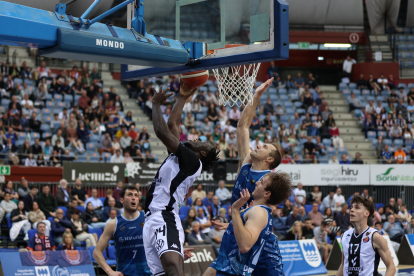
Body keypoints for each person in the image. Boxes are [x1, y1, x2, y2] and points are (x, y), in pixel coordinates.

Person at [143, 81, 218, 276]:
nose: (196, 138)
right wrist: (183, 97)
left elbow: (161, 132)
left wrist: (156, 104)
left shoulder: (192, 161)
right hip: (152, 219)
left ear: (201, 154)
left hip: (164, 215)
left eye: (201, 142)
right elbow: (171, 125)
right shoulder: (179, 156)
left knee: (173, 269)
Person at [206, 171, 292, 276]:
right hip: (229, 266)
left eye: (261, 182)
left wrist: (235, 209)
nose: (256, 183)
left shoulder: (258, 212)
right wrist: (233, 225)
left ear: (266, 193)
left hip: (235, 270)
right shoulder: (257, 211)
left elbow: (245, 246)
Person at [93, 185, 152, 276]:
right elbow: (97, 252)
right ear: (122, 200)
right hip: (124, 274)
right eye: (130, 195)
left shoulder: (148, 219)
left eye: (136, 195)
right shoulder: (113, 224)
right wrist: (110, 272)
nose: (133, 198)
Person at [336, 196, 396, 276]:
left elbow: (391, 267)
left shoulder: (375, 237)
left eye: (357, 207)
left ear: (366, 213)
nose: (352, 210)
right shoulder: (345, 236)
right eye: (351, 207)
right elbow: (343, 265)